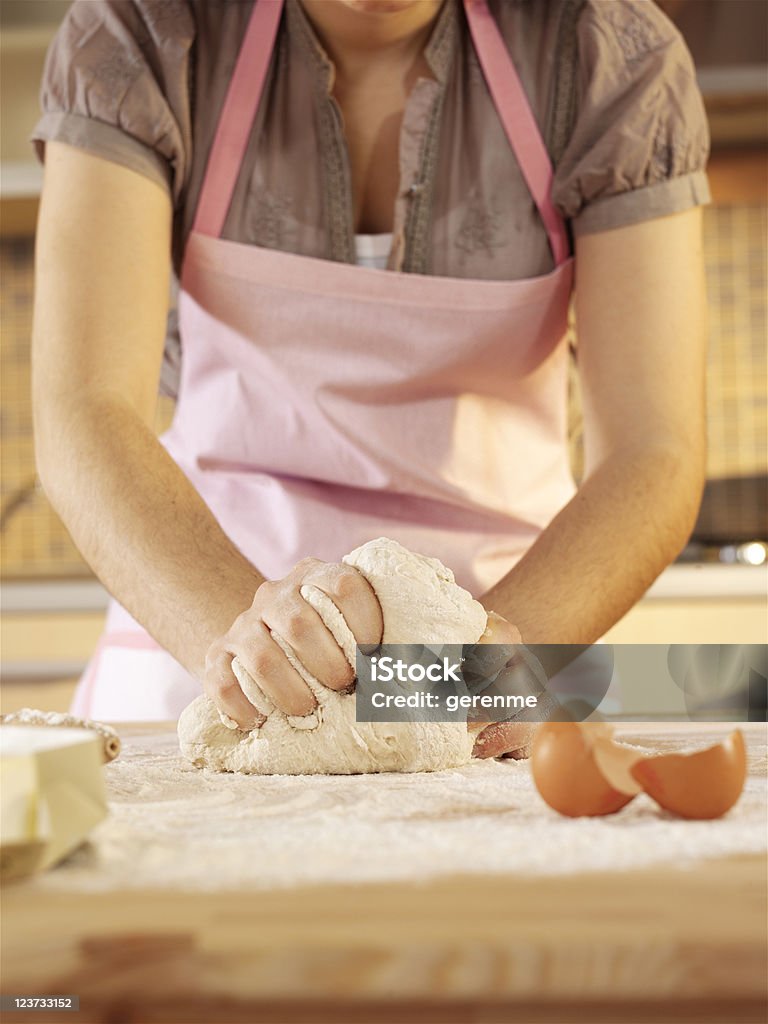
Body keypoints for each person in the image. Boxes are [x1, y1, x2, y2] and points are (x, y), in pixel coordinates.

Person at [30, 0, 709, 757]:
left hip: (506, 646)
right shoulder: (145, 30)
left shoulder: (606, 52)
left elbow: (655, 449)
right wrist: (256, 652)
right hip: (203, 637)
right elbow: (84, 410)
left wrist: (478, 674)